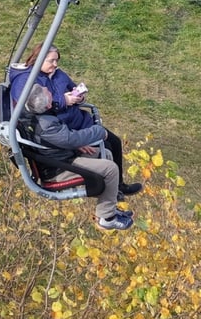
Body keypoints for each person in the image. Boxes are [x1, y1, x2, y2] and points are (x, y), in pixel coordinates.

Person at [9, 42, 142, 199]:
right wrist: (64, 101)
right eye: (51, 60)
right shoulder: (28, 80)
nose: (55, 64)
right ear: (38, 59)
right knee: (105, 147)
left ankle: (118, 186)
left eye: (57, 60)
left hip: (76, 119)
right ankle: (113, 193)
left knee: (114, 142)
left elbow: (71, 88)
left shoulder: (57, 74)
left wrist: (78, 97)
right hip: (67, 125)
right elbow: (37, 106)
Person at [21, 84, 133, 230]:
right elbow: (70, 138)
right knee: (110, 169)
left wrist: (72, 144)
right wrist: (99, 132)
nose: (49, 91)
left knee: (104, 154)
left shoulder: (33, 115)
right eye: (48, 92)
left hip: (60, 155)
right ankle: (107, 219)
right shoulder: (46, 125)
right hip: (59, 168)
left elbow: (61, 139)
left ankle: (108, 207)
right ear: (47, 104)